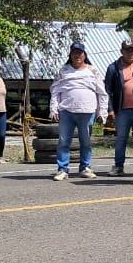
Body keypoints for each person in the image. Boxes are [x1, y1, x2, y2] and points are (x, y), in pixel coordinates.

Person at [50, 41, 108, 181]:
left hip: (87, 111)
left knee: (86, 141)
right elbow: (55, 91)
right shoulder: (63, 71)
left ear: (84, 55)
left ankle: (85, 167)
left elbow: (102, 93)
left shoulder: (92, 70)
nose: (77, 56)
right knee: (64, 141)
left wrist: (102, 113)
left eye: (80, 53)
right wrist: (53, 109)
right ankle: (62, 169)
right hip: (66, 111)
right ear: (70, 55)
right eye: (74, 53)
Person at [103, 38, 133, 177]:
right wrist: (110, 109)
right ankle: (118, 166)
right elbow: (108, 90)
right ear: (121, 51)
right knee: (121, 139)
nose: (130, 52)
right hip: (122, 110)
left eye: (132, 50)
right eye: (127, 50)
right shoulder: (113, 67)